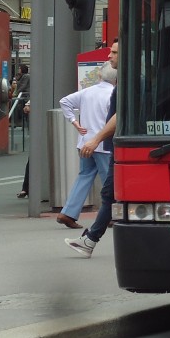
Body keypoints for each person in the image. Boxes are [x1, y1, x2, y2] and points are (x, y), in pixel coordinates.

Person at [67, 39, 118, 258]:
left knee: (109, 192)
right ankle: (89, 240)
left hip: (114, 146)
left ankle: (89, 239)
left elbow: (119, 116)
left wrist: (95, 139)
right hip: (113, 147)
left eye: (114, 52)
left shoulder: (124, 85)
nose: (109, 56)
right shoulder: (119, 86)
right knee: (109, 193)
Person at [55, 62, 117, 229]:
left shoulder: (87, 92)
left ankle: (68, 212)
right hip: (103, 143)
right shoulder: (113, 94)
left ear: (99, 75)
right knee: (109, 181)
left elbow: (65, 101)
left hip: (85, 141)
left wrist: (74, 121)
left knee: (84, 176)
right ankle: (111, 214)